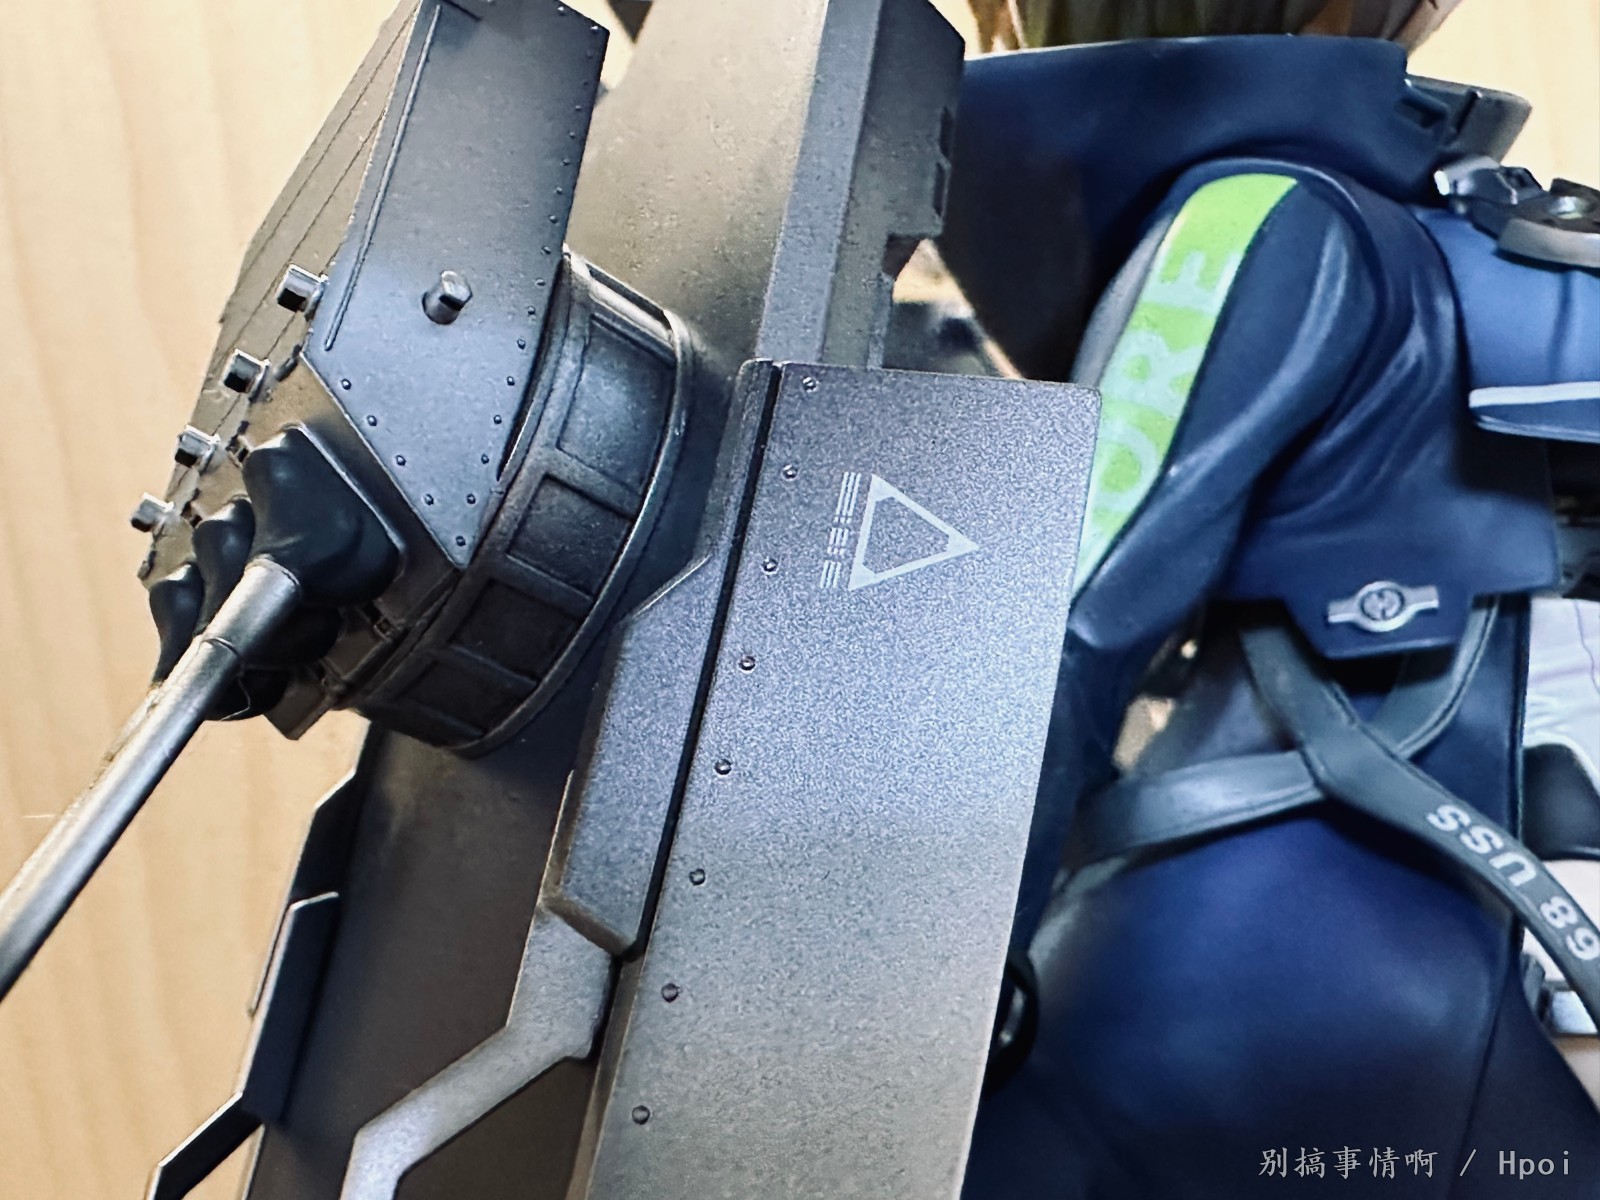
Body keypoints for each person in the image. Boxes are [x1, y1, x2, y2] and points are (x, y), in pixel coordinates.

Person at [942, 3, 1600, 1195]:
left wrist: (912, 982)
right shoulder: (1401, 233)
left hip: (1249, 974)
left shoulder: (1270, 213)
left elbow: (1066, 620)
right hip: (1401, 969)